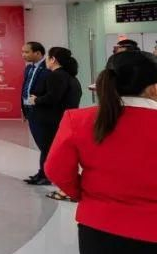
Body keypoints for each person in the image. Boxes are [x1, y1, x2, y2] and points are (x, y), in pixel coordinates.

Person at [45, 51, 157, 252]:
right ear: (153, 88)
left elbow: (55, 168)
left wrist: (86, 195)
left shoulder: (78, 119)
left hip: (97, 226)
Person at [29, 46, 82, 201]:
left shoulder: (56, 76)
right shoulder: (70, 77)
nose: (46, 61)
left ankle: (58, 183)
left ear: (53, 60)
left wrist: (36, 100)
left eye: (48, 58)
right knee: (59, 153)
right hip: (64, 120)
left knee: (51, 152)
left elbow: (53, 97)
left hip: (52, 121)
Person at [21, 42, 51, 184]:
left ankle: (46, 174)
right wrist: (24, 108)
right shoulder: (28, 68)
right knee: (41, 144)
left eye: (26, 52)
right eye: (23, 52)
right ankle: (42, 173)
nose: (23, 55)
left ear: (38, 53)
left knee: (45, 145)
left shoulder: (48, 68)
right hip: (30, 110)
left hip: (42, 111)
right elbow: (25, 88)